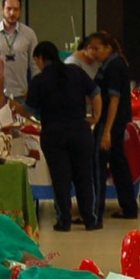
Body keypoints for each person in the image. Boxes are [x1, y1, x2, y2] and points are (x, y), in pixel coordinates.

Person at [26, 41, 103, 232]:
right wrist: (96, 116)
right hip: (80, 130)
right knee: (84, 176)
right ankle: (90, 220)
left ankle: (64, 221)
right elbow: (96, 93)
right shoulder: (75, 72)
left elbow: (30, 111)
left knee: (61, 179)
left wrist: (16, 107)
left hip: (53, 133)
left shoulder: (39, 80)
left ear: (41, 58)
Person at [86, 31, 140, 220]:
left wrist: (107, 131)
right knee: (118, 164)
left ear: (108, 48)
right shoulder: (107, 65)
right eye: (90, 48)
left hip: (112, 122)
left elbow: (114, 100)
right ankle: (128, 207)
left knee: (99, 164)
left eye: (96, 48)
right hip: (112, 121)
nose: (93, 52)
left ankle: (95, 210)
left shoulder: (114, 67)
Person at [0, 0, 38, 104]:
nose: (12, 13)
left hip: (21, 94)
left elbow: (35, 65)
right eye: (8, 9)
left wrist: (33, 90)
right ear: (2, 9)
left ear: (20, 11)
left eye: (16, 9)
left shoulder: (29, 34)